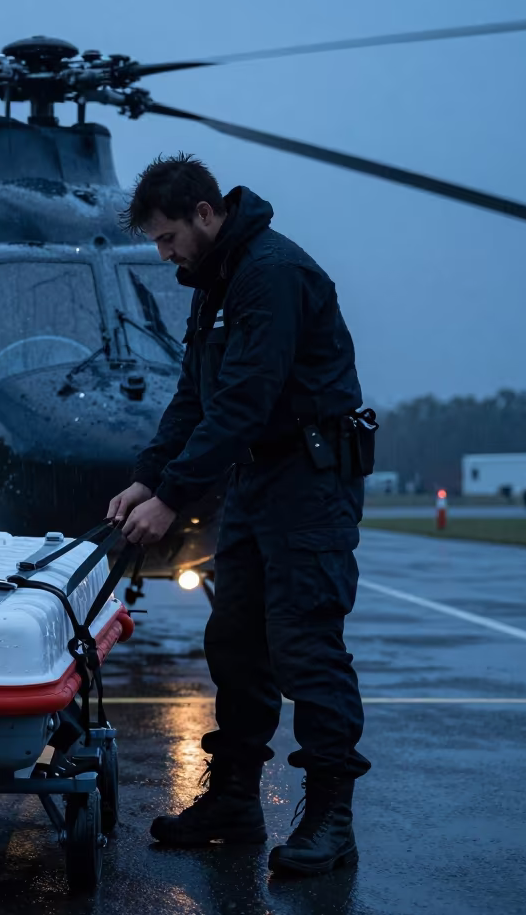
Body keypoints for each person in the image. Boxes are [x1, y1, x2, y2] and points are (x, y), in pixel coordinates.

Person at [107, 154, 371, 876]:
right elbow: (194, 396)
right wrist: (146, 478)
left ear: (204, 213)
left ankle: (329, 819)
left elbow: (245, 399)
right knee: (237, 642)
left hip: (310, 484)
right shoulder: (217, 282)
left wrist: (173, 498)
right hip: (260, 483)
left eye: (166, 239)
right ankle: (235, 801)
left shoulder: (270, 274)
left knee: (306, 645)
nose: (163, 257)